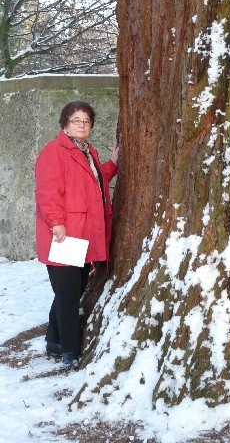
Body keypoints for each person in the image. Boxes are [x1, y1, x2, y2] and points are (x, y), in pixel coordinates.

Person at [35, 101, 119, 369]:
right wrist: (56, 222)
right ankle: (70, 351)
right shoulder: (54, 151)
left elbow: (93, 180)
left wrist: (113, 164)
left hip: (83, 236)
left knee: (71, 290)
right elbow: (48, 192)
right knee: (69, 294)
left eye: (86, 121)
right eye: (76, 120)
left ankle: (54, 340)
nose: (82, 125)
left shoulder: (87, 152)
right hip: (64, 235)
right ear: (65, 124)